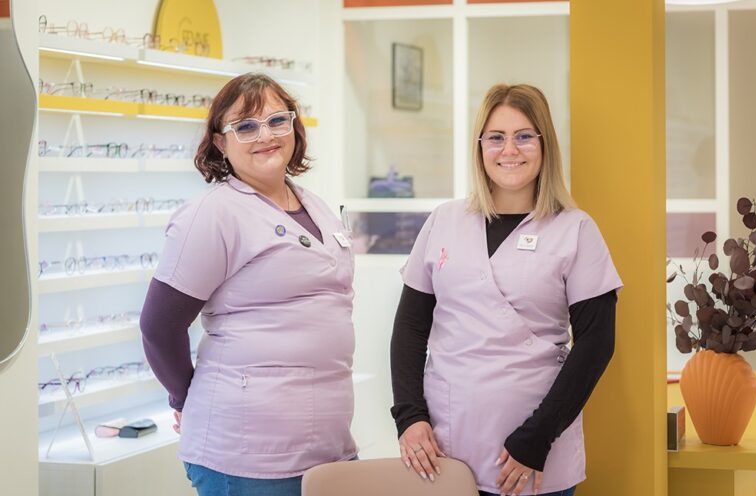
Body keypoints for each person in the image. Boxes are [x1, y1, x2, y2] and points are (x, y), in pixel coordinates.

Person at [390, 84, 622, 496]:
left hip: (534, 454)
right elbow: (410, 326)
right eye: (496, 137)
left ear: (544, 144)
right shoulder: (444, 220)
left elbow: (596, 343)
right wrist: (409, 417)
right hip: (446, 447)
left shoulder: (576, 229)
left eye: (524, 136)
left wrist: (537, 438)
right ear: (480, 146)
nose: (509, 150)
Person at [140, 73, 357, 496]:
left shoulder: (314, 204)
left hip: (328, 446)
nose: (266, 136)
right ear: (221, 141)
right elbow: (158, 326)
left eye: (277, 121)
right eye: (246, 126)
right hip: (248, 454)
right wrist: (185, 397)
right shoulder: (213, 215)